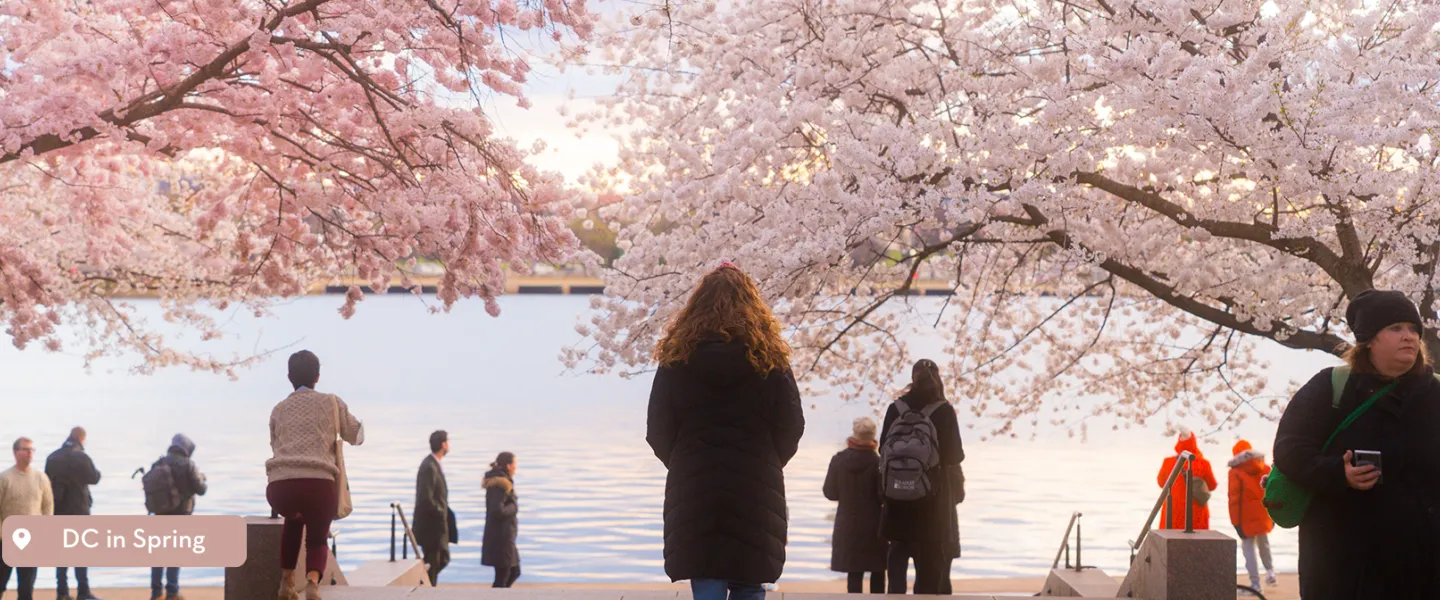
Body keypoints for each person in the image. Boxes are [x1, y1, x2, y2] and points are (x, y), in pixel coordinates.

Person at [646, 262, 806, 600]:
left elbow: (657, 429)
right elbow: (792, 425)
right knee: (750, 578)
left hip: (694, 482)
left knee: (706, 573)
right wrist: (767, 460)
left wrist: (684, 460)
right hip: (755, 481)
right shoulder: (771, 359)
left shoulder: (677, 358)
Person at [1274, 289, 1440, 599]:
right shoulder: (1331, 387)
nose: (1409, 336)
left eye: (1414, 329)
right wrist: (1339, 472)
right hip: (1344, 566)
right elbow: (1289, 449)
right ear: (1368, 339)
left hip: (1425, 566)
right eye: (1395, 328)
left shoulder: (1435, 393)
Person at [265, 350, 363, 600]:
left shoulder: (278, 409)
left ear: (289, 377)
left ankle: (286, 583)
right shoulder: (331, 402)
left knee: (294, 520)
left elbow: (275, 445)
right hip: (318, 486)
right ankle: (312, 585)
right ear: (317, 376)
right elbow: (356, 436)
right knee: (318, 539)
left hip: (280, 490)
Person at [879, 359, 964, 595]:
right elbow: (955, 455)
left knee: (897, 554)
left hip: (897, 497)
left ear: (912, 377)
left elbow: (882, 450)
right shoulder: (944, 410)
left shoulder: (895, 408)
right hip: (932, 502)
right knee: (930, 562)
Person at [823, 417, 888, 593]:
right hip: (874, 524)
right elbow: (884, 496)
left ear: (854, 433)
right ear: (873, 436)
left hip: (848, 523)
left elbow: (830, 492)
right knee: (878, 571)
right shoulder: (879, 463)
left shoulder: (838, 460)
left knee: (854, 572)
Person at [45, 427, 102, 600]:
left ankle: (62, 592)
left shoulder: (53, 457)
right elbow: (95, 478)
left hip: (59, 509)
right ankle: (83, 592)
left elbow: (46, 482)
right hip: (79, 510)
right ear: (82, 439)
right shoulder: (81, 457)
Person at [148, 433, 205, 600]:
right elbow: (201, 489)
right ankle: (172, 591)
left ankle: (156, 592)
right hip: (181, 515)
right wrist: (202, 479)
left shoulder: (159, 463)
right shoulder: (188, 465)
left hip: (160, 514)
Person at [1, 437, 54, 600]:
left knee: (26, 588)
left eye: (32, 450)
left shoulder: (41, 478)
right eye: (25, 449)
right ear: (16, 453)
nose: (29, 453)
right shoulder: (5, 478)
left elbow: (47, 507)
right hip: (6, 540)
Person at [1227, 439, 1276, 593]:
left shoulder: (1235, 472)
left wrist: (1235, 523)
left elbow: (1234, 499)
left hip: (1245, 518)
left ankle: (1255, 585)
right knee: (1264, 543)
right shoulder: (1265, 467)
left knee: (1248, 549)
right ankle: (1270, 572)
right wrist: (1273, 515)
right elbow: (1274, 491)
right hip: (1264, 513)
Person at [413, 430, 456, 585]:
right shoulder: (429, 466)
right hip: (431, 527)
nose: (449, 444)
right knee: (435, 561)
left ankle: (425, 584)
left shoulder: (434, 464)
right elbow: (426, 498)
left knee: (441, 559)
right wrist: (440, 512)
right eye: (448, 441)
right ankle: (425, 588)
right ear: (443, 444)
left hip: (437, 526)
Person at [1156, 431, 1216, 530]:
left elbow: (1161, 483)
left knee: (1171, 541)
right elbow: (1212, 485)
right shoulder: (1203, 463)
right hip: (1196, 514)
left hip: (1172, 512)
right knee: (1196, 542)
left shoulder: (1168, 462)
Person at [481, 452, 520, 588]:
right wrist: (513, 507)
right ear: (509, 466)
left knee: (513, 571)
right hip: (501, 537)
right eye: (515, 464)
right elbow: (497, 510)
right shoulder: (500, 484)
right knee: (504, 575)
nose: (516, 468)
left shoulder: (501, 481)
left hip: (504, 537)